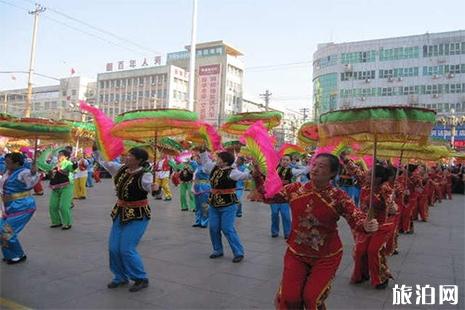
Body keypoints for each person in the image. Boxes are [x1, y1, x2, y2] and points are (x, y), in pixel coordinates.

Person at [274, 153, 378, 309]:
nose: (314, 169)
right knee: (290, 297)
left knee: (312, 299)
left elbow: (355, 217)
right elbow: (269, 196)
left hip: (326, 256)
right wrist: (258, 174)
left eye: (321, 166)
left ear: (332, 173)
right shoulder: (295, 189)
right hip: (296, 252)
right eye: (314, 164)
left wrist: (366, 225)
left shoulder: (338, 196)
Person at [95, 147, 157, 292]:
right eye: (127, 154)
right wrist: (97, 147)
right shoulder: (120, 169)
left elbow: (151, 190)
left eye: (130, 156)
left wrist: (156, 189)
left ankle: (141, 278)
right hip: (120, 212)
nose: (126, 157)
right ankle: (120, 276)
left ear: (139, 160)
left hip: (138, 215)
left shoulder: (145, 175)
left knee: (126, 249)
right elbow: (104, 162)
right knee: (113, 248)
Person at [345, 162, 397, 289]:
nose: (365, 175)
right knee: (360, 251)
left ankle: (381, 277)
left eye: (369, 174)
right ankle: (361, 275)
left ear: (377, 178)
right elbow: (355, 171)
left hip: (381, 225)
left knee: (373, 250)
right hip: (365, 224)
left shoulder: (385, 189)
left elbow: (392, 205)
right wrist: (344, 158)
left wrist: (392, 207)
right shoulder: (365, 183)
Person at [199, 149, 251, 263]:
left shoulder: (233, 172)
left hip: (228, 204)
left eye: (219, 158)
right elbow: (205, 162)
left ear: (225, 162)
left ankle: (238, 252)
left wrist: (255, 171)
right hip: (213, 203)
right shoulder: (213, 168)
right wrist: (202, 151)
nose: (216, 159)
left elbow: (245, 176)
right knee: (213, 227)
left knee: (227, 228)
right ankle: (217, 250)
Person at [0, 153, 40, 264]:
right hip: (8, 206)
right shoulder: (8, 172)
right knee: (1, 230)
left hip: (23, 207)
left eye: (8, 162)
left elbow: (30, 183)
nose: (5, 164)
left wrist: (34, 173)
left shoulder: (24, 172)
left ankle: (18, 255)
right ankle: (10, 254)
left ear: (17, 163)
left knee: (6, 232)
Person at [49, 149, 75, 230]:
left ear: (66, 156)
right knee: (52, 206)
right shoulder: (55, 164)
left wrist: (75, 164)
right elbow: (49, 172)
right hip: (55, 186)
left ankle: (67, 223)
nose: (58, 156)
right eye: (58, 154)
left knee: (63, 206)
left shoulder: (68, 163)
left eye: (61, 155)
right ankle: (56, 221)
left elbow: (72, 168)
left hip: (67, 186)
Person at [191, 154, 210, 228]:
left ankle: (204, 221)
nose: (197, 160)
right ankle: (198, 220)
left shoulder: (206, 167)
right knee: (197, 205)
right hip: (197, 186)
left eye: (199, 158)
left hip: (204, 187)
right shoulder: (197, 167)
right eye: (197, 158)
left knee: (204, 205)